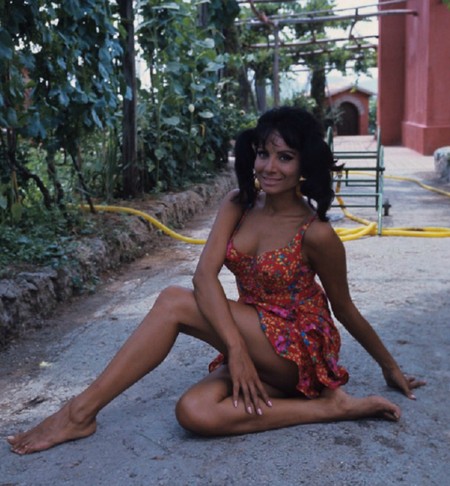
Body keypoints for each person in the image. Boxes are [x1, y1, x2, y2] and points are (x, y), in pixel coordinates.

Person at [7, 106, 425, 455]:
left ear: (304, 165)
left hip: (297, 348)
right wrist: (236, 349)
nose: (269, 167)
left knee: (174, 301)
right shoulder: (238, 204)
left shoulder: (315, 233)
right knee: (195, 412)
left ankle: (79, 413)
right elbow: (203, 276)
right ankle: (329, 408)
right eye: (263, 154)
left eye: (285, 157)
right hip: (249, 338)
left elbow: (344, 307)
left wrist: (391, 367)